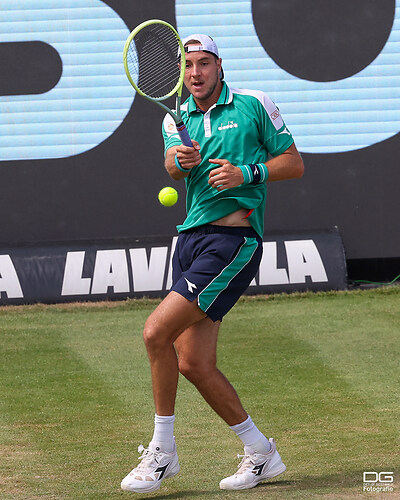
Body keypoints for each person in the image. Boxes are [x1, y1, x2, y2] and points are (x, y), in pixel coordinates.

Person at [121, 34, 304, 494]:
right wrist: (178, 161)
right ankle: (261, 452)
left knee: (154, 332)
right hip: (191, 240)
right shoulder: (175, 117)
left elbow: (294, 162)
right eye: (188, 65)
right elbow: (171, 166)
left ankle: (162, 452)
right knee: (194, 364)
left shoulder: (254, 104)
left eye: (204, 63)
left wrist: (249, 172)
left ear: (220, 66)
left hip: (234, 239)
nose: (195, 72)